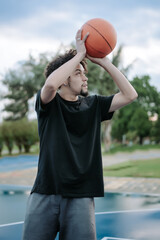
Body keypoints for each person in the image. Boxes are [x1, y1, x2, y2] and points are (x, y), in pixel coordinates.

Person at [22, 29, 138, 240]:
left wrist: (104, 62)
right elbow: (50, 84)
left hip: (81, 196)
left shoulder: (94, 105)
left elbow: (130, 94)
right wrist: (78, 55)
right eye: (78, 73)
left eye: (84, 72)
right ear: (64, 79)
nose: (85, 77)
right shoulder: (49, 104)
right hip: (46, 192)